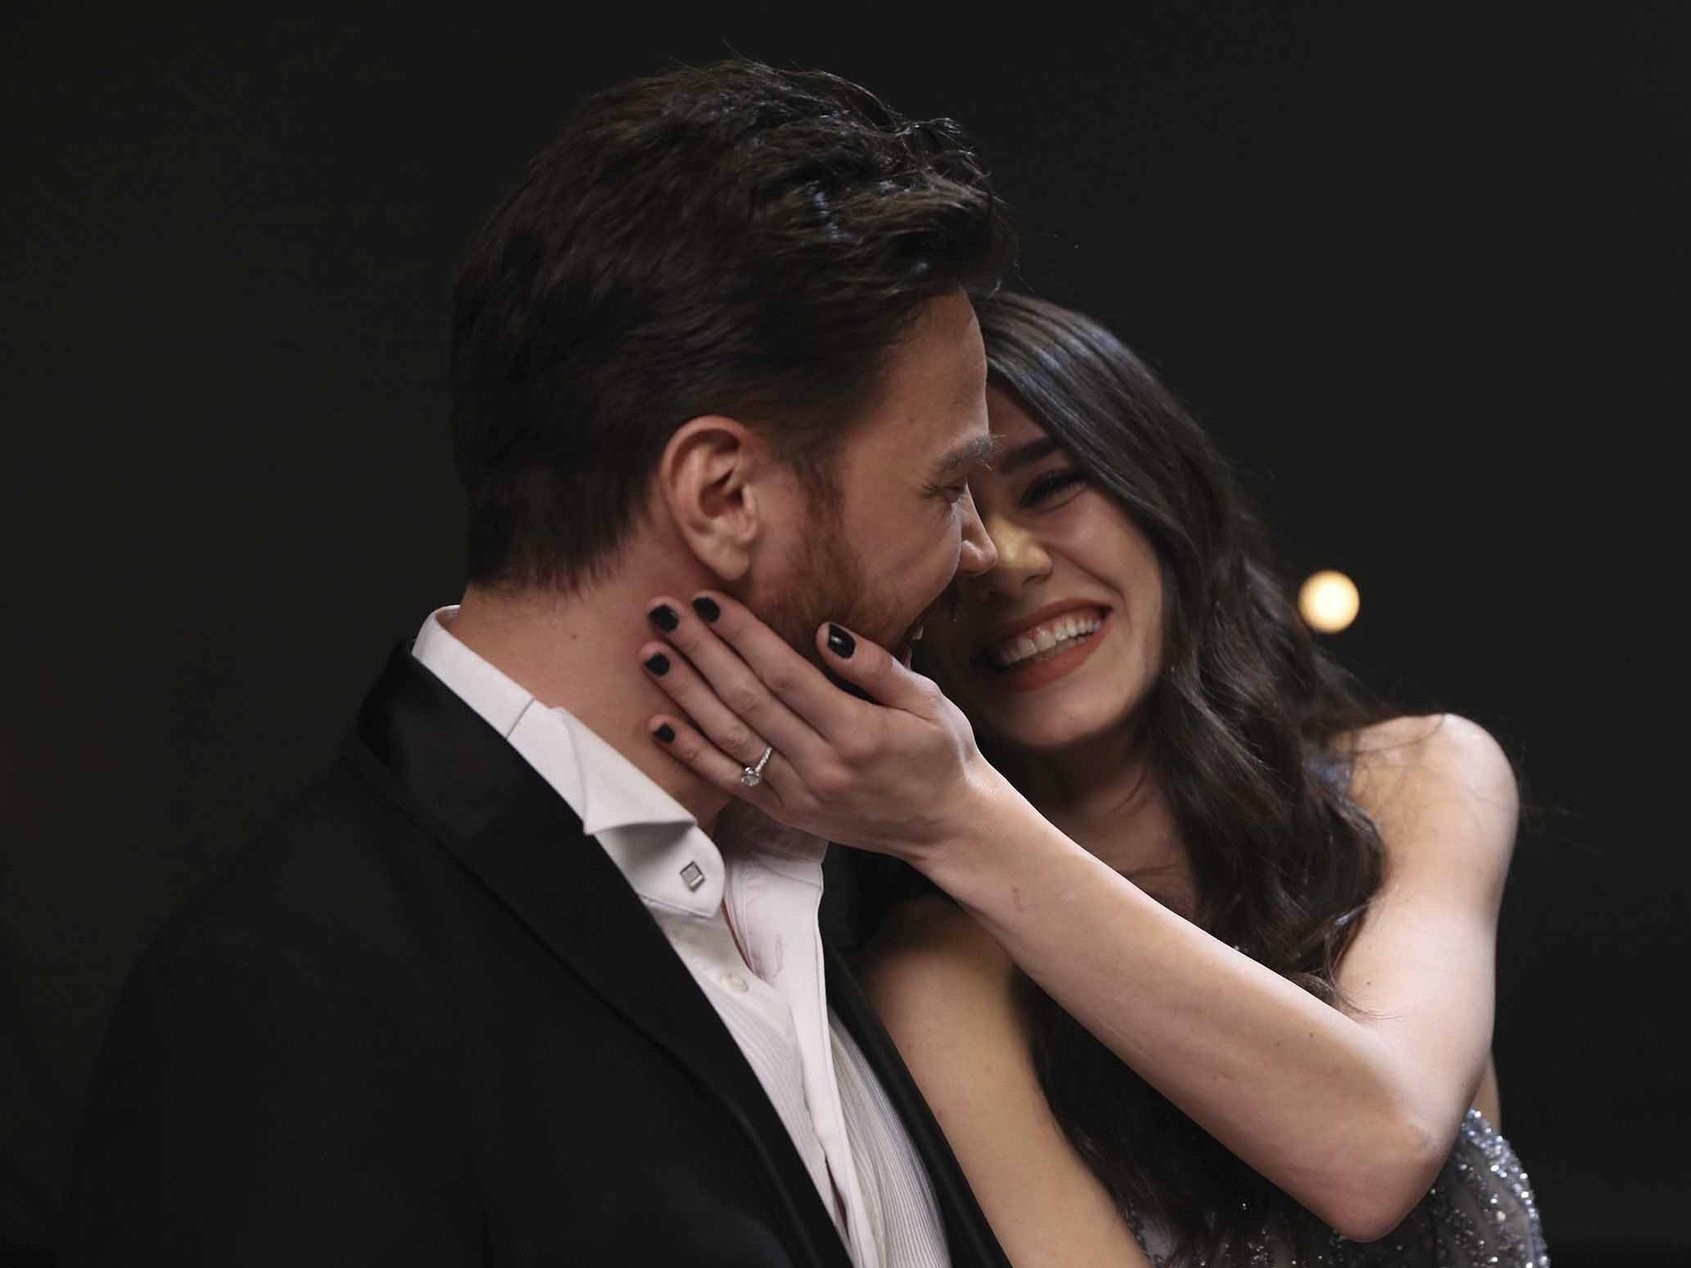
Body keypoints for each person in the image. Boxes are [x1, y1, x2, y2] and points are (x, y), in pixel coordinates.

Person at [60, 61, 1019, 1267]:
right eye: (946, 487)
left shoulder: (822, 883)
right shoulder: (287, 993)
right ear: (723, 496)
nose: (981, 549)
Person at [632, 291, 1549, 1266]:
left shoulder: (1410, 779)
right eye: (952, 507)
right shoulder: (939, 971)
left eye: (1053, 486)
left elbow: (1379, 1145)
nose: (1007, 561)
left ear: (1159, 489)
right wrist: (947, 818)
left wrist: (954, 813)